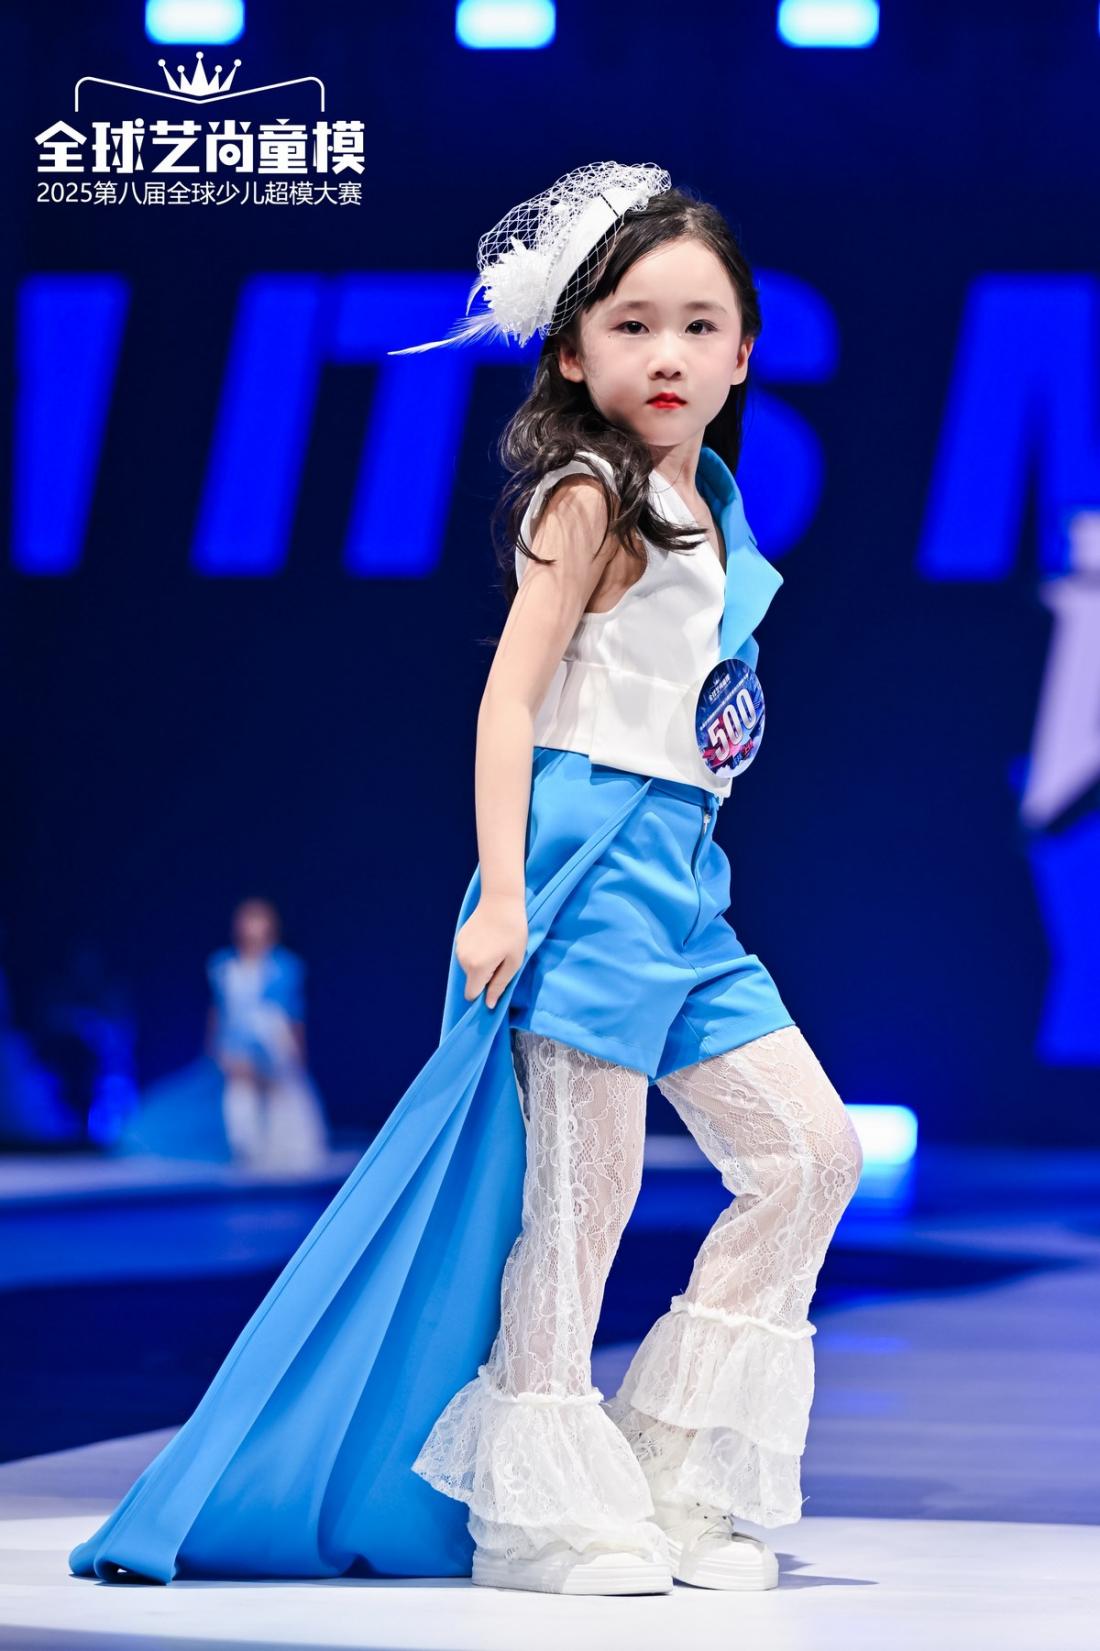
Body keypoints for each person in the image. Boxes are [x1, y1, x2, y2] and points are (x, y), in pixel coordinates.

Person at [68, 160, 863, 1599]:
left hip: (686, 885)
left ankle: (678, 1471)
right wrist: (504, 892)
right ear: (570, 353)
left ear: (746, 351)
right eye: (630, 324)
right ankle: (539, 1516)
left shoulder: (711, 498)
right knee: (577, 1208)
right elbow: (510, 701)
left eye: (698, 325)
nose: (667, 352)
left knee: (812, 1153)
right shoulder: (588, 492)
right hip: (585, 871)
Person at [205, 898, 328, 1171]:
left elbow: (293, 1013)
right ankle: (247, 1153)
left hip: (275, 1039)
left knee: (284, 1098)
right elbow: (219, 1011)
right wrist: (217, 1048)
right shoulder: (224, 967)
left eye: (260, 920)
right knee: (241, 1098)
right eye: (249, 920)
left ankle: (288, 1154)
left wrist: (298, 1051)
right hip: (238, 1043)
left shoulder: (285, 966)